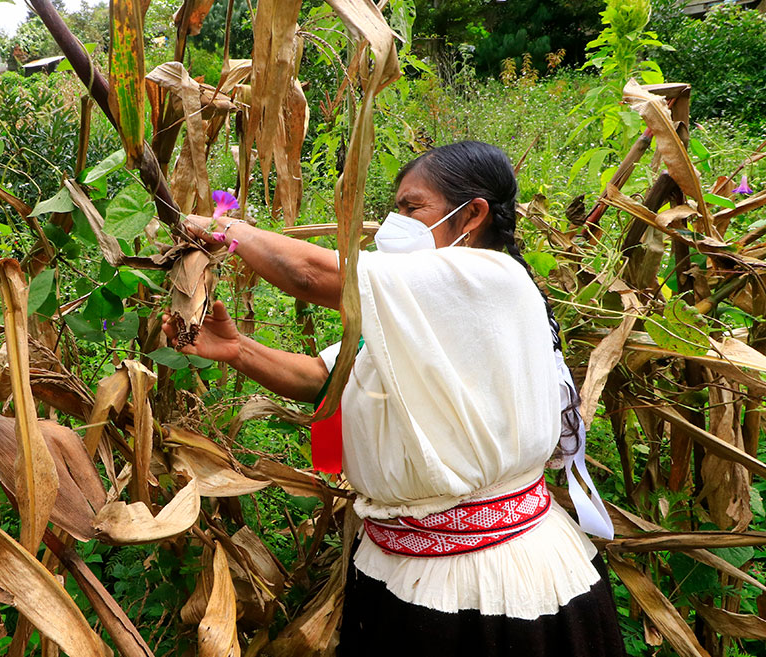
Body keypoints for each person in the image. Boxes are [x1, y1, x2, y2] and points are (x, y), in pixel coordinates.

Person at [165, 141, 625, 656]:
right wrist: (238, 350)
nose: (396, 222)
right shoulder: (415, 307)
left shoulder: (489, 278)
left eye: (412, 207)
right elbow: (322, 378)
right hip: (398, 567)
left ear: (472, 214)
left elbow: (312, 275)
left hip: (489, 582)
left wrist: (225, 228)